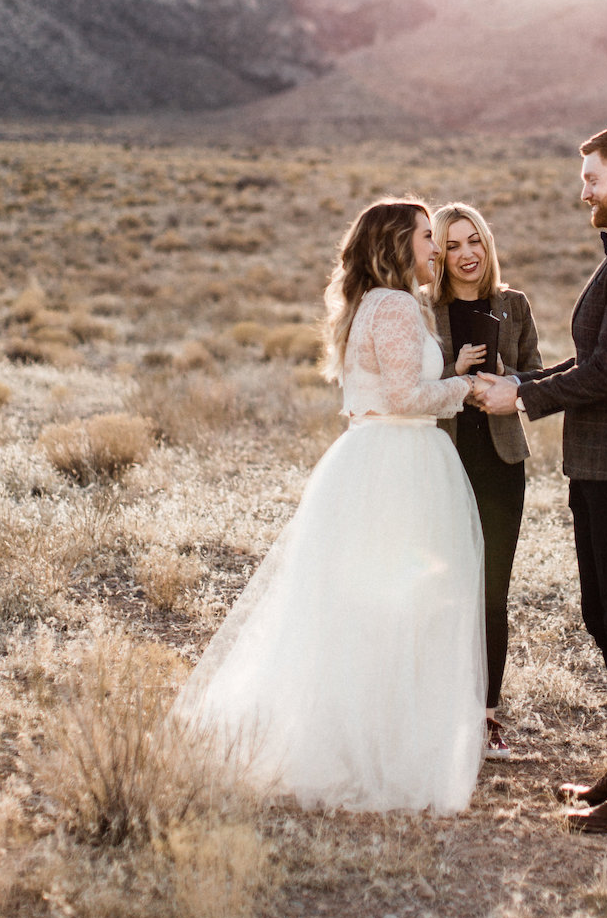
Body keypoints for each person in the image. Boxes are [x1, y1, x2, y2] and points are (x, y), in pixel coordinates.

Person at [175, 199, 487, 814]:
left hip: (370, 460)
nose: (436, 249)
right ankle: (379, 751)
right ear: (398, 245)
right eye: (427, 237)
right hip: (400, 465)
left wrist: (445, 376)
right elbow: (404, 396)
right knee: (399, 611)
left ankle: (350, 737)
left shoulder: (373, 304)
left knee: (357, 610)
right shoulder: (396, 305)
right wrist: (466, 386)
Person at [476, 124, 607, 836]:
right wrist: (519, 381)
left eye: (593, 179)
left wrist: (525, 398)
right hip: (604, 463)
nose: (584, 192)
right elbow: (592, 361)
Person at [431, 202, 542, 757]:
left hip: (501, 463)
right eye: (451, 245)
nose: (466, 254)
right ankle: (437, 707)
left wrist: (510, 381)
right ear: (438, 253)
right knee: (443, 587)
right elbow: (410, 386)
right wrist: (452, 374)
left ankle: (486, 715)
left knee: (492, 591)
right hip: (440, 460)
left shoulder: (513, 304)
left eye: (473, 241)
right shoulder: (425, 309)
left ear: (487, 243)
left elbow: (538, 373)